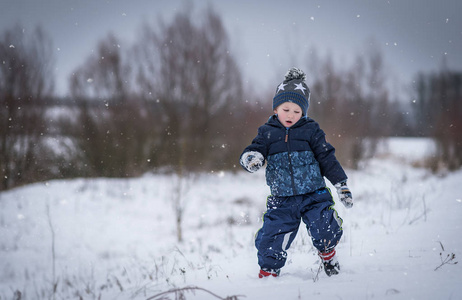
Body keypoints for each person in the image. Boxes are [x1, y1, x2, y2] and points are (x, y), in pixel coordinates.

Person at [239, 67, 353, 278]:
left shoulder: (311, 130)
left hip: (314, 194)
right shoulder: (267, 132)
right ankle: (268, 273)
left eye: (297, 111)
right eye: (286, 109)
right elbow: (255, 149)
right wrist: (251, 158)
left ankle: (329, 256)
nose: (291, 115)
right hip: (282, 199)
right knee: (270, 238)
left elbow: (327, 158)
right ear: (275, 109)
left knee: (324, 228)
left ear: (304, 112)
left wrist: (341, 184)